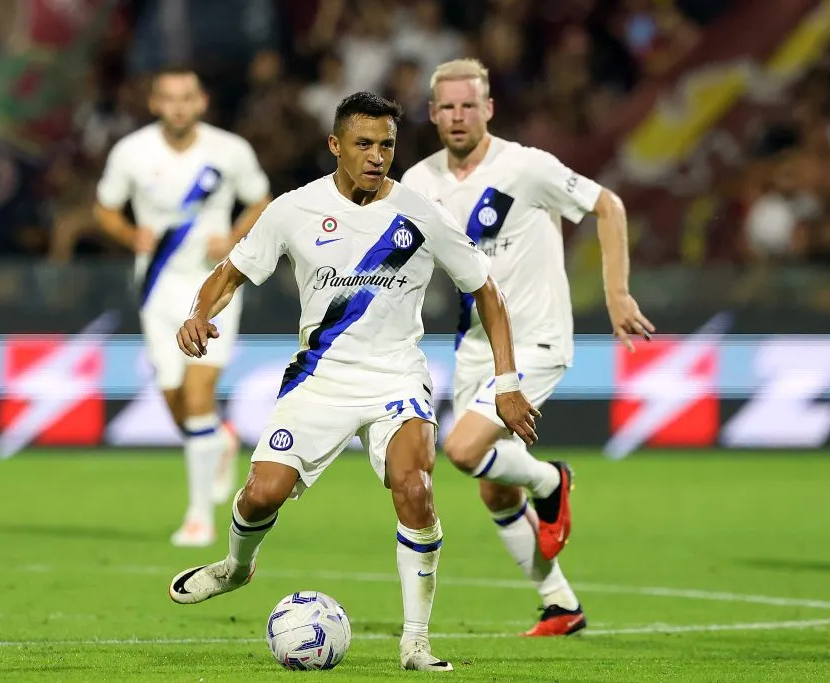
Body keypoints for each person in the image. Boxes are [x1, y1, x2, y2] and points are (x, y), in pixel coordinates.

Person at [167, 92, 540, 672]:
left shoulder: (420, 213)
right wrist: (198, 313)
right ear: (335, 145)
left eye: (386, 144)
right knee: (261, 493)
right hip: (319, 379)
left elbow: (486, 291)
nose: (376, 156)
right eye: (363, 144)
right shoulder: (294, 209)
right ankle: (237, 568)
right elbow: (230, 272)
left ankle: (415, 642)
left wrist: (508, 381)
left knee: (413, 487)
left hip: (396, 376)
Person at [401, 59, 655, 636]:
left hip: (537, 338)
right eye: (448, 107)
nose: (459, 116)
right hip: (473, 346)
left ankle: (551, 481)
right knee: (493, 486)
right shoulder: (418, 183)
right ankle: (560, 604)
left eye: (470, 105)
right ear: (433, 114)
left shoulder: (526, 167)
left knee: (463, 451)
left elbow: (607, 205)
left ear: (489, 109)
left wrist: (616, 293)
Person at [94, 67, 272, 548]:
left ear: (201, 101)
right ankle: (220, 439)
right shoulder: (131, 151)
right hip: (156, 290)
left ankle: (200, 518)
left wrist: (233, 237)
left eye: (186, 97)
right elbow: (103, 207)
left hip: (214, 287)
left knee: (196, 397)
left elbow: (261, 200)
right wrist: (131, 234)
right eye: (168, 98)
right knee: (177, 400)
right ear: (154, 103)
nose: (178, 106)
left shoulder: (229, 150)